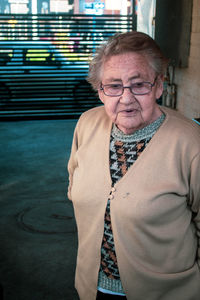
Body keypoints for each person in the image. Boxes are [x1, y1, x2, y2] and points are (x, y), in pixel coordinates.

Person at [67, 31, 200, 300]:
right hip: (92, 288)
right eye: (114, 86)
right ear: (100, 90)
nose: (126, 98)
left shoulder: (191, 143)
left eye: (139, 85)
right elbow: (74, 183)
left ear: (159, 86)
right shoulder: (86, 124)